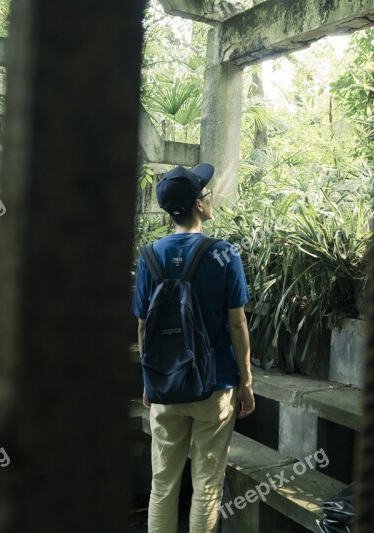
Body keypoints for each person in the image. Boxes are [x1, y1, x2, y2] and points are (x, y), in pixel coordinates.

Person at [132, 163, 255, 533]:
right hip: (214, 386)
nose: (210, 196)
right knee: (206, 488)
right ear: (199, 205)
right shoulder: (224, 255)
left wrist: (149, 379)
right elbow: (238, 323)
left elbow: (143, 325)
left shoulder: (149, 256)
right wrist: (246, 382)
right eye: (206, 192)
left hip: (165, 387)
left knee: (163, 485)